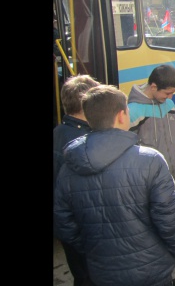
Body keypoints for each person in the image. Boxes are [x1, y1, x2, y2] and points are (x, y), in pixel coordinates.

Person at [54, 85, 175, 286]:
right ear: (121, 115)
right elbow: (170, 219)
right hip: (151, 271)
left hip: (101, 273)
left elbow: (64, 223)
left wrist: (93, 250)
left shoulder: (69, 166)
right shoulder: (151, 161)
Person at [128, 64, 175, 286]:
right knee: (155, 232)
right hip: (149, 185)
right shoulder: (133, 111)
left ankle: (174, 274)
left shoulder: (168, 104)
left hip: (171, 179)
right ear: (153, 86)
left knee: (173, 228)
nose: (170, 98)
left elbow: (173, 143)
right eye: (167, 93)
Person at [53, 74, 100, 286]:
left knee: (80, 276)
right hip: (85, 229)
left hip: (67, 228)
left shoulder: (58, 132)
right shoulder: (85, 142)